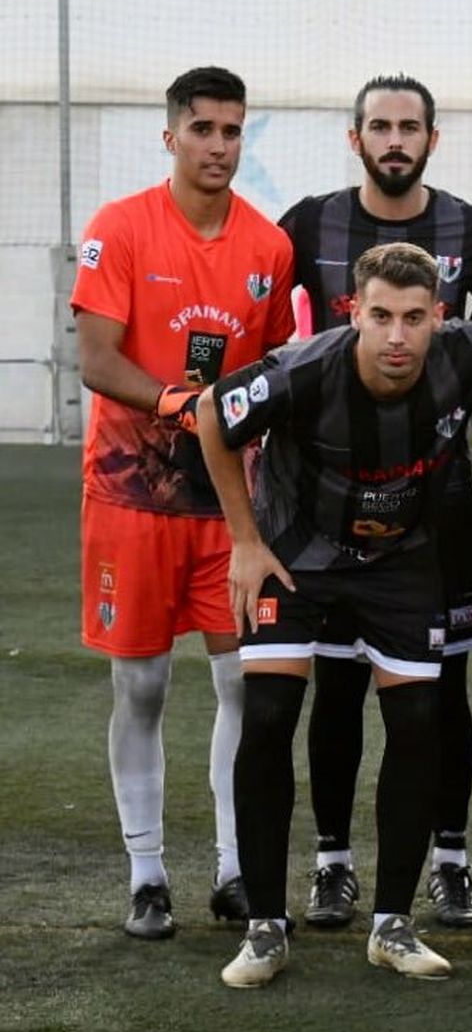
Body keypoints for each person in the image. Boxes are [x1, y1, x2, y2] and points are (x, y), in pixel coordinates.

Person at [195, 242, 472, 987]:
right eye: (381, 317)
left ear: (439, 317)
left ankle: (392, 926)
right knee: (269, 713)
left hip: (403, 561)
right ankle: (266, 928)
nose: (397, 336)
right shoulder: (306, 368)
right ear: (355, 313)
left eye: (414, 318)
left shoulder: (465, 353)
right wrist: (244, 541)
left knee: (417, 725)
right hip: (298, 554)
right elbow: (214, 412)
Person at [73, 65, 294, 938]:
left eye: (233, 131)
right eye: (203, 129)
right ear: (171, 136)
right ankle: (147, 871)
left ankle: (237, 869)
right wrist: (179, 407)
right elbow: (97, 359)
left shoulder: (268, 248)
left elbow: (274, 371)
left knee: (242, 680)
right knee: (144, 686)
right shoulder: (120, 228)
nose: (219, 146)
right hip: (129, 497)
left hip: (226, 507)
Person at [277, 74, 472, 931]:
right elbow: (281, 349)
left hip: (437, 506)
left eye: (410, 127)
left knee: (443, 690)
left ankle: (449, 858)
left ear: (433, 140)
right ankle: (332, 863)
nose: (395, 140)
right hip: (325, 508)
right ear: (355, 137)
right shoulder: (308, 224)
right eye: (380, 126)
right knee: (335, 688)